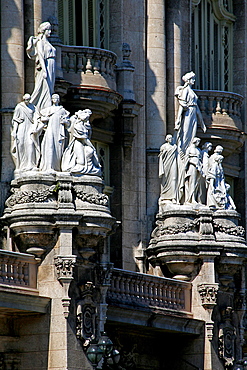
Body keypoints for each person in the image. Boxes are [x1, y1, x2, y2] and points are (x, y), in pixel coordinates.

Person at [174, 71, 206, 156]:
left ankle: (188, 150)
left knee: (192, 132)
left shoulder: (192, 91)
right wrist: (178, 119)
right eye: (192, 79)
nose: (194, 81)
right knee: (186, 131)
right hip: (188, 113)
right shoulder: (185, 90)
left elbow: (197, 109)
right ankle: (183, 152)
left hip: (193, 113)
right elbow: (182, 105)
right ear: (188, 80)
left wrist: (202, 124)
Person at [61, 109, 101, 176]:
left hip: (84, 143)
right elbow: (84, 139)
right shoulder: (78, 126)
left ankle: (90, 168)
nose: (88, 118)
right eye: (87, 116)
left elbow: (88, 137)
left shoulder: (86, 125)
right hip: (79, 143)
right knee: (81, 162)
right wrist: (92, 147)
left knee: (90, 151)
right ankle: (78, 170)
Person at [26, 21, 56, 111]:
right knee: (43, 85)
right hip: (45, 66)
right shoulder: (40, 42)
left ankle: (47, 105)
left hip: (51, 66)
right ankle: (42, 107)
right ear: (44, 30)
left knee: (50, 87)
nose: (50, 32)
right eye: (48, 30)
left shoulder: (48, 43)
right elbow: (41, 56)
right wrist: (44, 70)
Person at [39, 94, 70, 173]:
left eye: (57, 98)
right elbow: (42, 118)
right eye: (53, 98)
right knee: (49, 145)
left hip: (59, 131)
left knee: (58, 148)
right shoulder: (48, 109)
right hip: (50, 129)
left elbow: (68, 123)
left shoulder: (62, 110)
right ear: (51, 99)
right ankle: (48, 166)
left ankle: (56, 167)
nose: (55, 99)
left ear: (59, 100)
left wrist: (65, 122)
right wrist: (45, 119)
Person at [11, 94, 41, 173]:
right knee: (21, 145)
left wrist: (35, 127)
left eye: (28, 99)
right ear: (24, 99)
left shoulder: (33, 107)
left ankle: (31, 164)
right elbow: (16, 120)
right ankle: (21, 165)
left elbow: (37, 118)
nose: (27, 101)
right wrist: (14, 130)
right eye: (26, 99)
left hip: (30, 127)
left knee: (30, 144)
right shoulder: (19, 107)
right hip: (21, 127)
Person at [158, 134, 178, 203]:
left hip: (173, 163)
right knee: (165, 179)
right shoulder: (163, 146)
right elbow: (161, 157)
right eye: (169, 138)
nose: (170, 139)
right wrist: (162, 154)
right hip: (166, 164)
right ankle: (164, 195)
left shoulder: (175, 147)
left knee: (174, 179)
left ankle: (173, 197)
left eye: (171, 138)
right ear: (166, 139)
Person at [184, 137, 203, 204]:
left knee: (196, 183)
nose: (199, 143)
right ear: (195, 141)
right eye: (198, 142)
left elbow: (200, 159)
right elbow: (186, 158)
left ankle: (194, 198)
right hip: (192, 166)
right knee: (192, 182)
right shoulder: (189, 149)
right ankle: (190, 199)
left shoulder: (198, 149)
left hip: (198, 167)